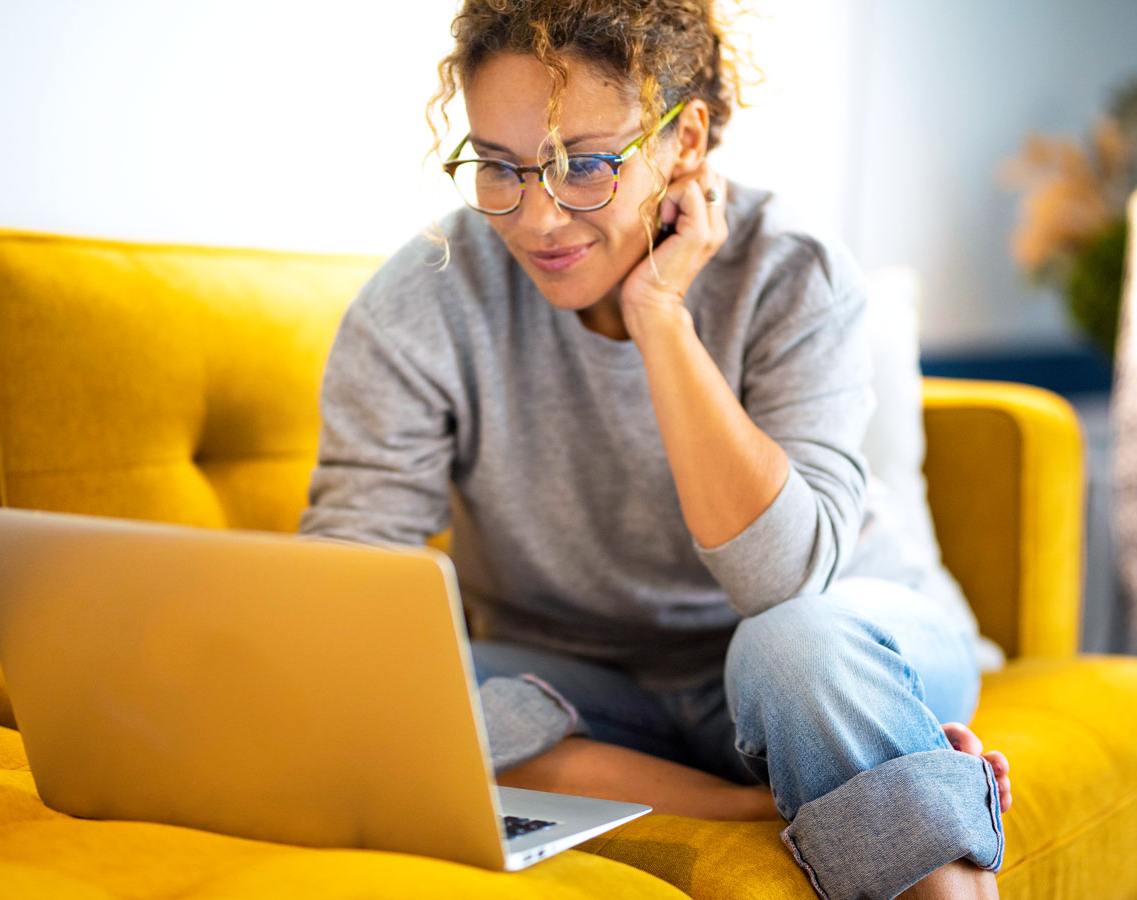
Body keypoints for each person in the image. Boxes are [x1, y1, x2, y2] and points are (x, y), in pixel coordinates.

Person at [299, 1, 1011, 897]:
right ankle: (743, 798)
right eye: (499, 167)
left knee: (793, 647)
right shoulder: (421, 302)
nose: (537, 218)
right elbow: (344, 594)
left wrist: (660, 319)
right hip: (586, 694)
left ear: (686, 142)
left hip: (823, 654)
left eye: (586, 164)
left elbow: (783, 584)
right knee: (364, 690)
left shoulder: (792, 272)